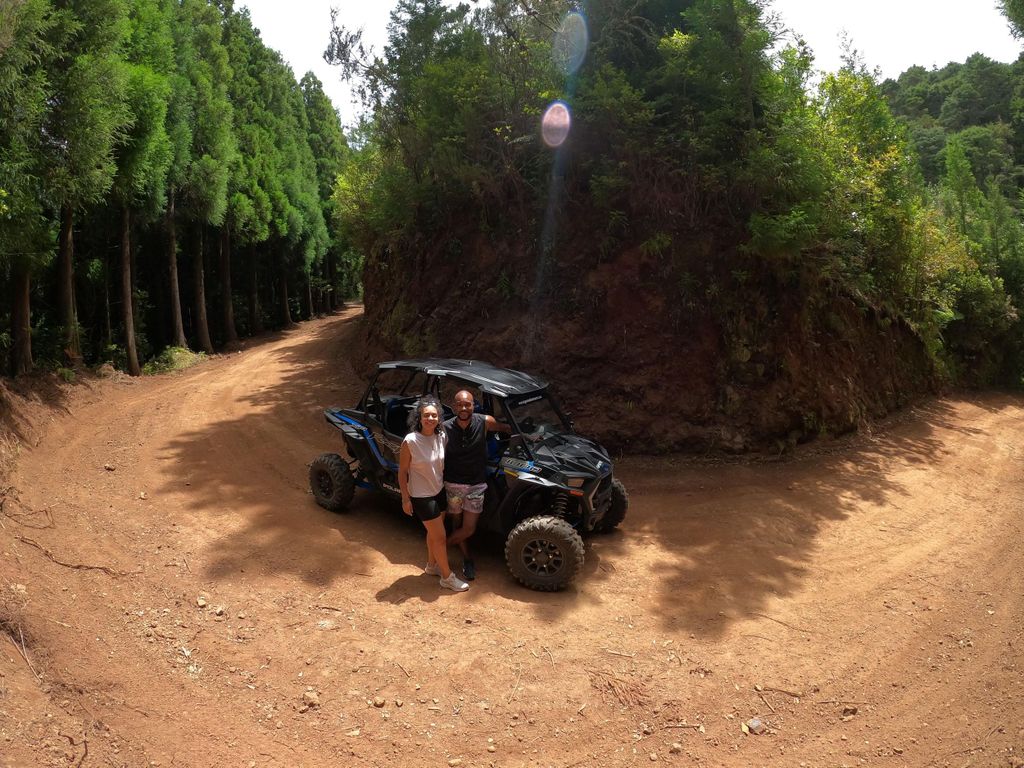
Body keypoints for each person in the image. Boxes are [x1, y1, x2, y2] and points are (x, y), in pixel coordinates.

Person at [399, 395, 469, 592]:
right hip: (421, 496)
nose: (430, 419)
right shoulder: (410, 441)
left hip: (438, 491)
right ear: (419, 418)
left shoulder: (441, 436)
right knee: (439, 537)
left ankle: (432, 566)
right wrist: (405, 498)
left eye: (434, 415)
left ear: (439, 418)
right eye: (426, 415)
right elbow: (402, 471)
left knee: (433, 533)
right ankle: (447, 577)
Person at [444, 389, 511, 580]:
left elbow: (506, 428)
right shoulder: (445, 428)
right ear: (454, 406)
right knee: (456, 522)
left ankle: (438, 550)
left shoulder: (484, 422)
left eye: (468, 404)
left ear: (473, 405)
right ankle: (467, 559)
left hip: (476, 485)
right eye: (460, 404)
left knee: (468, 528)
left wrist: (529, 435)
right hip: (453, 484)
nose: (464, 408)